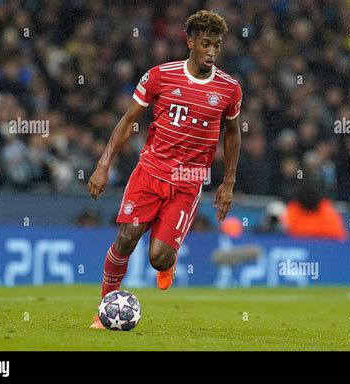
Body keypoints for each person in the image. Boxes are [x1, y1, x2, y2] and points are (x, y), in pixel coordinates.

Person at [87, 10, 242, 329]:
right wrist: (103, 166)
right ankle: (104, 310)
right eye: (205, 43)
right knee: (127, 237)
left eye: (217, 45)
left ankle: (165, 264)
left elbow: (234, 134)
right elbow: (129, 120)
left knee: (159, 256)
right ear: (190, 43)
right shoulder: (160, 75)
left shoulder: (229, 89)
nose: (211, 51)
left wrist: (228, 183)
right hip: (150, 171)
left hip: (188, 182)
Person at [280, 183, 348, 241]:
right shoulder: (293, 209)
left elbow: (338, 240)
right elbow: (288, 236)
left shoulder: (328, 213)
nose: (307, 199)